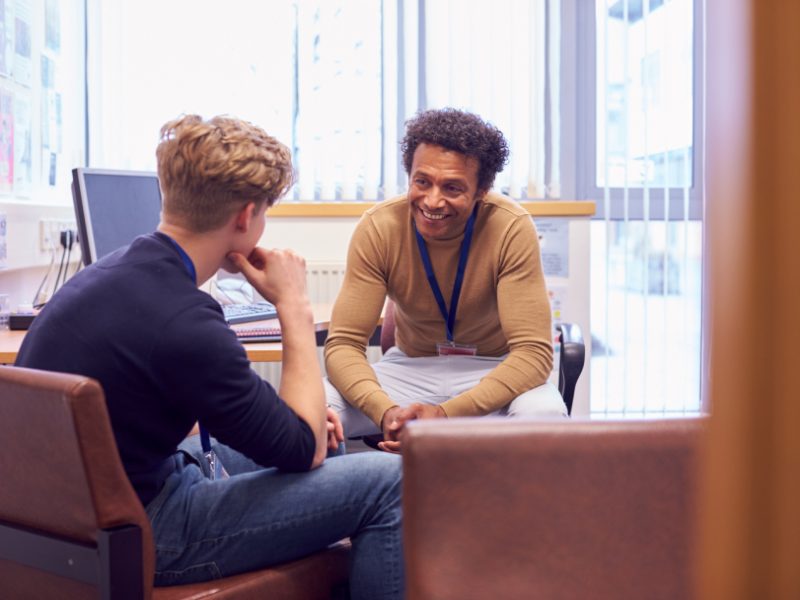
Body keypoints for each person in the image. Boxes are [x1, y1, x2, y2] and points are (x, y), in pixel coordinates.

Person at [15, 114, 403, 598]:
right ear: (245, 217)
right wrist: (294, 306)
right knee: (392, 480)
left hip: (72, 517)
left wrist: (303, 430)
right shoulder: (186, 321)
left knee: (330, 440)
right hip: (142, 532)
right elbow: (301, 449)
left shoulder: (110, 272)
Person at [324, 107, 565, 452]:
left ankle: (511, 507)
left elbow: (532, 354)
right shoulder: (379, 227)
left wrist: (446, 415)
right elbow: (344, 345)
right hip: (409, 370)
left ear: (482, 189)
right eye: (422, 182)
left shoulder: (511, 227)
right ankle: (351, 500)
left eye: (452, 187)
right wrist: (386, 412)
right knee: (314, 408)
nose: (432, 200)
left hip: (492, 370)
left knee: (545, 417)